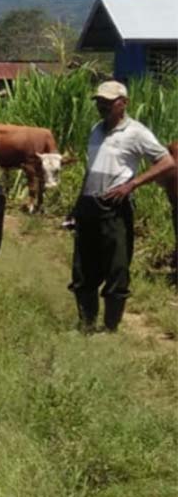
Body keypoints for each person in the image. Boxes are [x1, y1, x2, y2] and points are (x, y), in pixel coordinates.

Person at [70, 80, 175, 333]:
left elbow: (167, 162)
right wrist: (77, 204)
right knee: (82, 270)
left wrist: (132, 184)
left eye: (108, 102)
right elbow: (91, 168)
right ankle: (86, 325)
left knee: (117, 269)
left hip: (114, 208)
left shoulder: (136, 132)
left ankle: (110, 329)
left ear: (123, 103)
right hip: (88, 205)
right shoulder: (96, 129)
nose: (102, 106)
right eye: (99, 102)